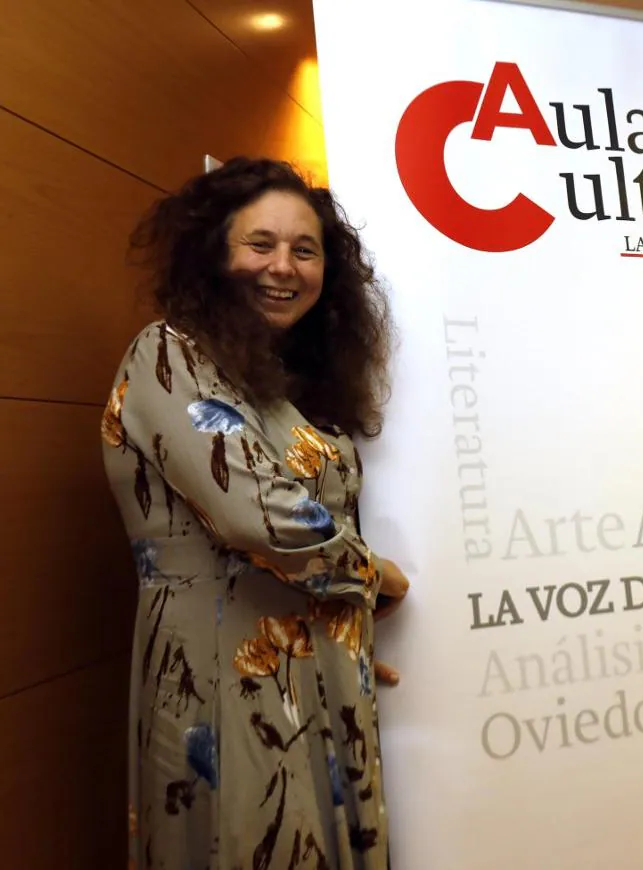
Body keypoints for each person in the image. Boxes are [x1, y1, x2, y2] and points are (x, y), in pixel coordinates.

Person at [102, 157, 409, 869]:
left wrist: (349, 621)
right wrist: (374, 577)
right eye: (260, 244)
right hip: (220, 668)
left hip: (324, 674)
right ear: (214, 253)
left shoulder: (284, 384)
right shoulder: (167, 354)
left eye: (305, 250)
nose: (284, 266)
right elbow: (260, 518)